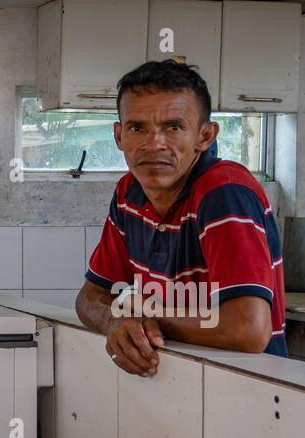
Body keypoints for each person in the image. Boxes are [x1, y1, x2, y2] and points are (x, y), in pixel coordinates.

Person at [75, 60, 287, 378]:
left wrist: (144, 312)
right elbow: (89, 298)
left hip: (253, 389)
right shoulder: (127, 193)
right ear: (119, 136)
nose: (154, 143)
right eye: (137, 127)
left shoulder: (224, 193)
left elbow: (248, 330)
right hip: (178, 383)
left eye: (173, 127)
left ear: (205, 136)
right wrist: (115, 321)